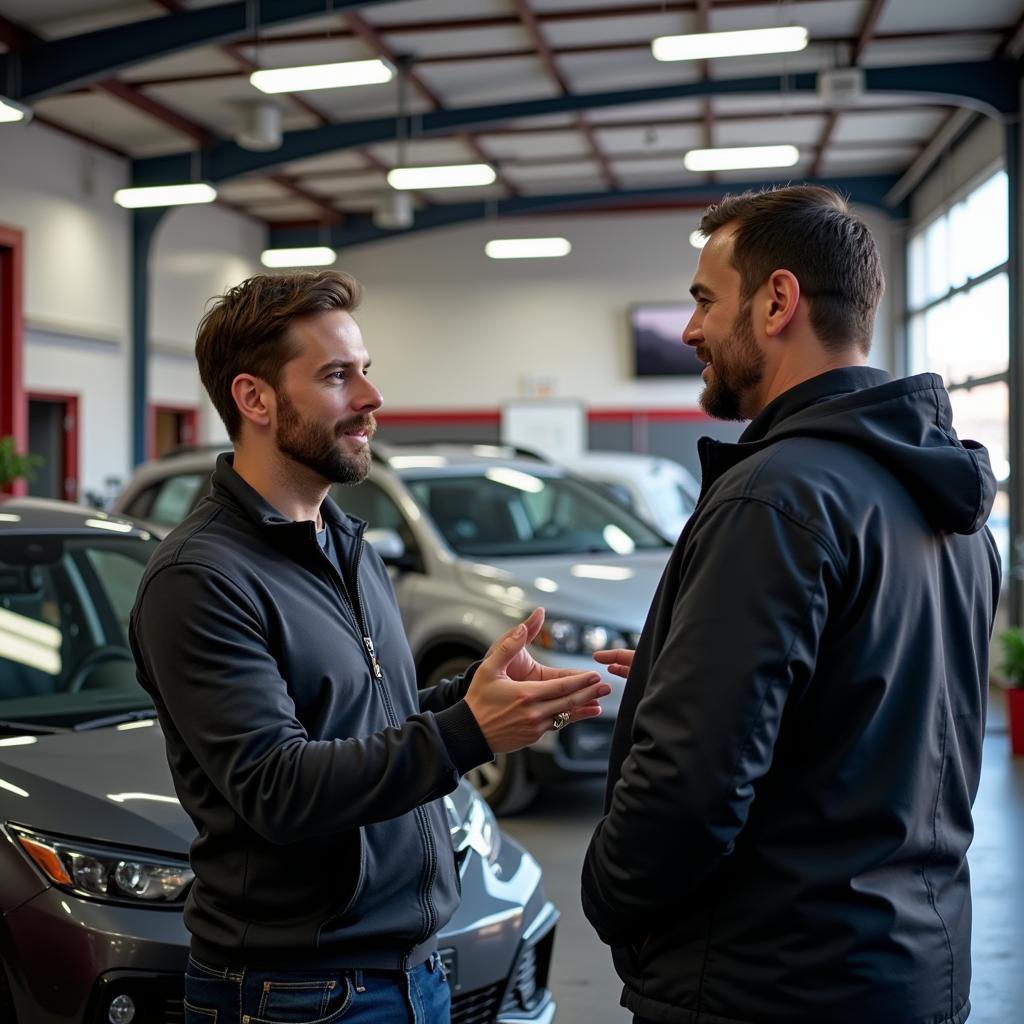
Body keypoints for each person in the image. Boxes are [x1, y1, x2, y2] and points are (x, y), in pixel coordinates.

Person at [130, 270, 610, 1024]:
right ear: (255, 399)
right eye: (335, 375)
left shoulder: (348, 546)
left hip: (412, 971)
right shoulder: (201, 578)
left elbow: (362, 720)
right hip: (296, 994)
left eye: (365, 371)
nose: (370, 399)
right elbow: (276, 786)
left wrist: (471, 697)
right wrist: (465, 732)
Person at [581, 185, 1001, 1024]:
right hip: (910, 969)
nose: (691, 329)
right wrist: (687, 672)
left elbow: (689, 791)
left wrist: (609, 897)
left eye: (704, 300)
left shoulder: (774, 497)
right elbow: (878, 707)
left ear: (777, 299)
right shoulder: (949, 505)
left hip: (766, 982)